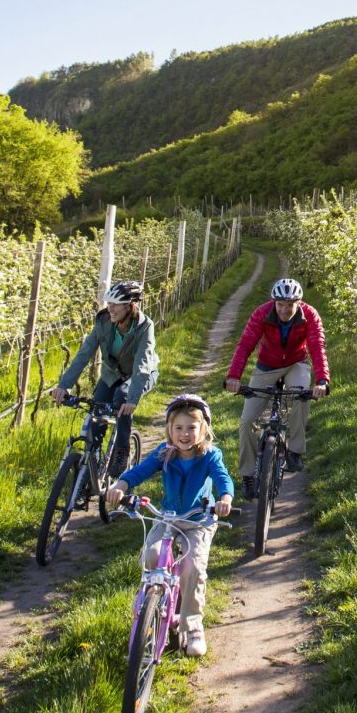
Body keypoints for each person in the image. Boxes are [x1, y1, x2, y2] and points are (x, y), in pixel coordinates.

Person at [106, 393, 233, 657]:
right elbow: (140, 470)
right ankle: (150, 604)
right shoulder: (165, 453)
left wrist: (225, 498)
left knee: (192, 568)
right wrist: (121, 485)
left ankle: (192, 626)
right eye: (178, 428)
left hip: (198, 520)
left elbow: (223, 478)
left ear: (203, 429)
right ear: (169, 430)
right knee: (151, 557)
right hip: (168, 516)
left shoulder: (210, 455)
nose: (184, 434)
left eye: (191, 428)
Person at [225, 277, 330, 498]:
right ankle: (248, 476)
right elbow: (245, 344)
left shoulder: (309, 315)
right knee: (247, 421)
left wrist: (322, 381)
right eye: (280, 304)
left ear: (299, 303)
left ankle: (294, 451)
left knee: (301, 395)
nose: (284, 310)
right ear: (274, 302)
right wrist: (234, 376)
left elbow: (317, 346)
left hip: (296, 363)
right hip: (267, 366)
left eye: (290, 305)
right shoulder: (261, 314)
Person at [51, 279, 158, 479]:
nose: (110, 308)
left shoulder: (145, 326)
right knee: (96, 412)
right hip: (111, 375)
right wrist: (63, 386)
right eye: (109, 303)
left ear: (130, 306)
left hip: (140, 376)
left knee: (122, 397)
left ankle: (121, 451)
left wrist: (132, 400)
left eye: (115, 304)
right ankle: (89, 469)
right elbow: (84, 354)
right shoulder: (103, 322)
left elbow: (142, 364)